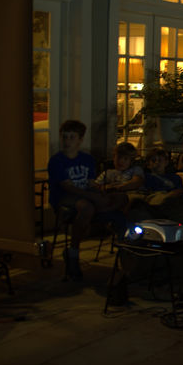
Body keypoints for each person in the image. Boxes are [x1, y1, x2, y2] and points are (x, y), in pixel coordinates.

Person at [47, 120, 119, 280]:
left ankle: (124, 246)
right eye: (64, 137)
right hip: (64, 197)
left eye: (72, 137)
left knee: (118, 200)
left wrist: (100, 192)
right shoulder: (57, 161)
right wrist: (93, 196)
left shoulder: (87, 159)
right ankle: (73, 252)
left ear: (80, 139)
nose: (67, 141)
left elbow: (90, 182)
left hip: (84, 193)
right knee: (86, 207)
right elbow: (67, 187)